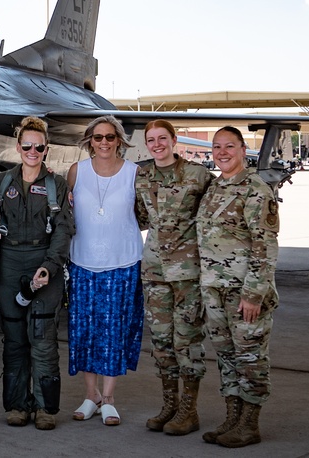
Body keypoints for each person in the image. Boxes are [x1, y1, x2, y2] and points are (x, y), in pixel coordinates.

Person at [196, 126, 279, 448]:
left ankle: (249, 423)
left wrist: (254, 293)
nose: (222, 152)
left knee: (250, 357)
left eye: (229, 146)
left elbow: (265, 245)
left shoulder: (256, 190)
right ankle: (231, 417)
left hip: (243, 292)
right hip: (214, 290)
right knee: (227, 357)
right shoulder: (214, 187)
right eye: (217, 147)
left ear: (244, 150)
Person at [0, 116, 74, 430]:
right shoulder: (2, 182)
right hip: (10, 261)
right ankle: (16, 405)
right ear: (18, 147)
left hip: (44, 262)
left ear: (45, 148)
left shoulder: (57, 184)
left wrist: (49, 267)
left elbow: (64, 230)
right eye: (26, 145)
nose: (32, 150)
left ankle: (45, 409)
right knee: (14, 341)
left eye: (38, 146)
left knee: (42, 339)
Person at [133, 120, 213, 435]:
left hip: (188, 274)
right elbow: (140, 217)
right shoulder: (142, 176)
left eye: (162, 138)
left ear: (174, 139)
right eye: (151, 140)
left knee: (187, 340)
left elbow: (212, 220)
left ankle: (189, 410)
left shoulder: (198, 175)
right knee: (162, 342)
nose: (156, 145)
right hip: (154, 272)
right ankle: (169, 405)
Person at [66, 115, 143, 427]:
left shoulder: (134, 173)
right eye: (98, 137)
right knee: (84, 331)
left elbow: (147, 213)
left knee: (113, 332)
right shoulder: (76, 171)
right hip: (82, 262)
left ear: (119, 140)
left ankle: (109, 398)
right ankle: (91, 394)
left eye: (110, 137)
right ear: (89, 141)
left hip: (122, 262)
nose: (104, 143)